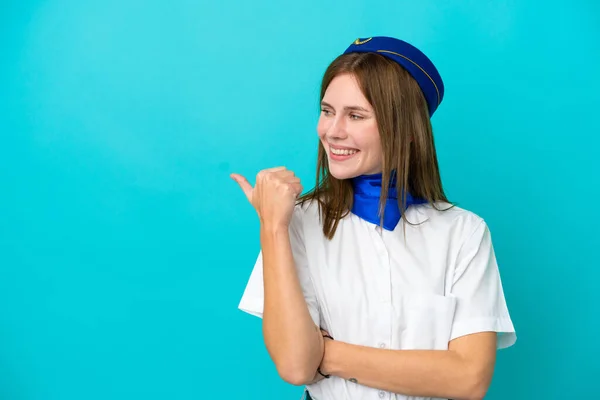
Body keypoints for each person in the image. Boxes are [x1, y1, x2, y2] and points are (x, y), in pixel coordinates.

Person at [231, 36, 516, 400]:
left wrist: (329, 354)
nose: (332, 131)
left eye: (355, 115)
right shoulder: (297, 223)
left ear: (408, 130)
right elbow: (296, 365)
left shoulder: (464, 233)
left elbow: (468, 380)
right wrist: (272, 226)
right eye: (327, 110)